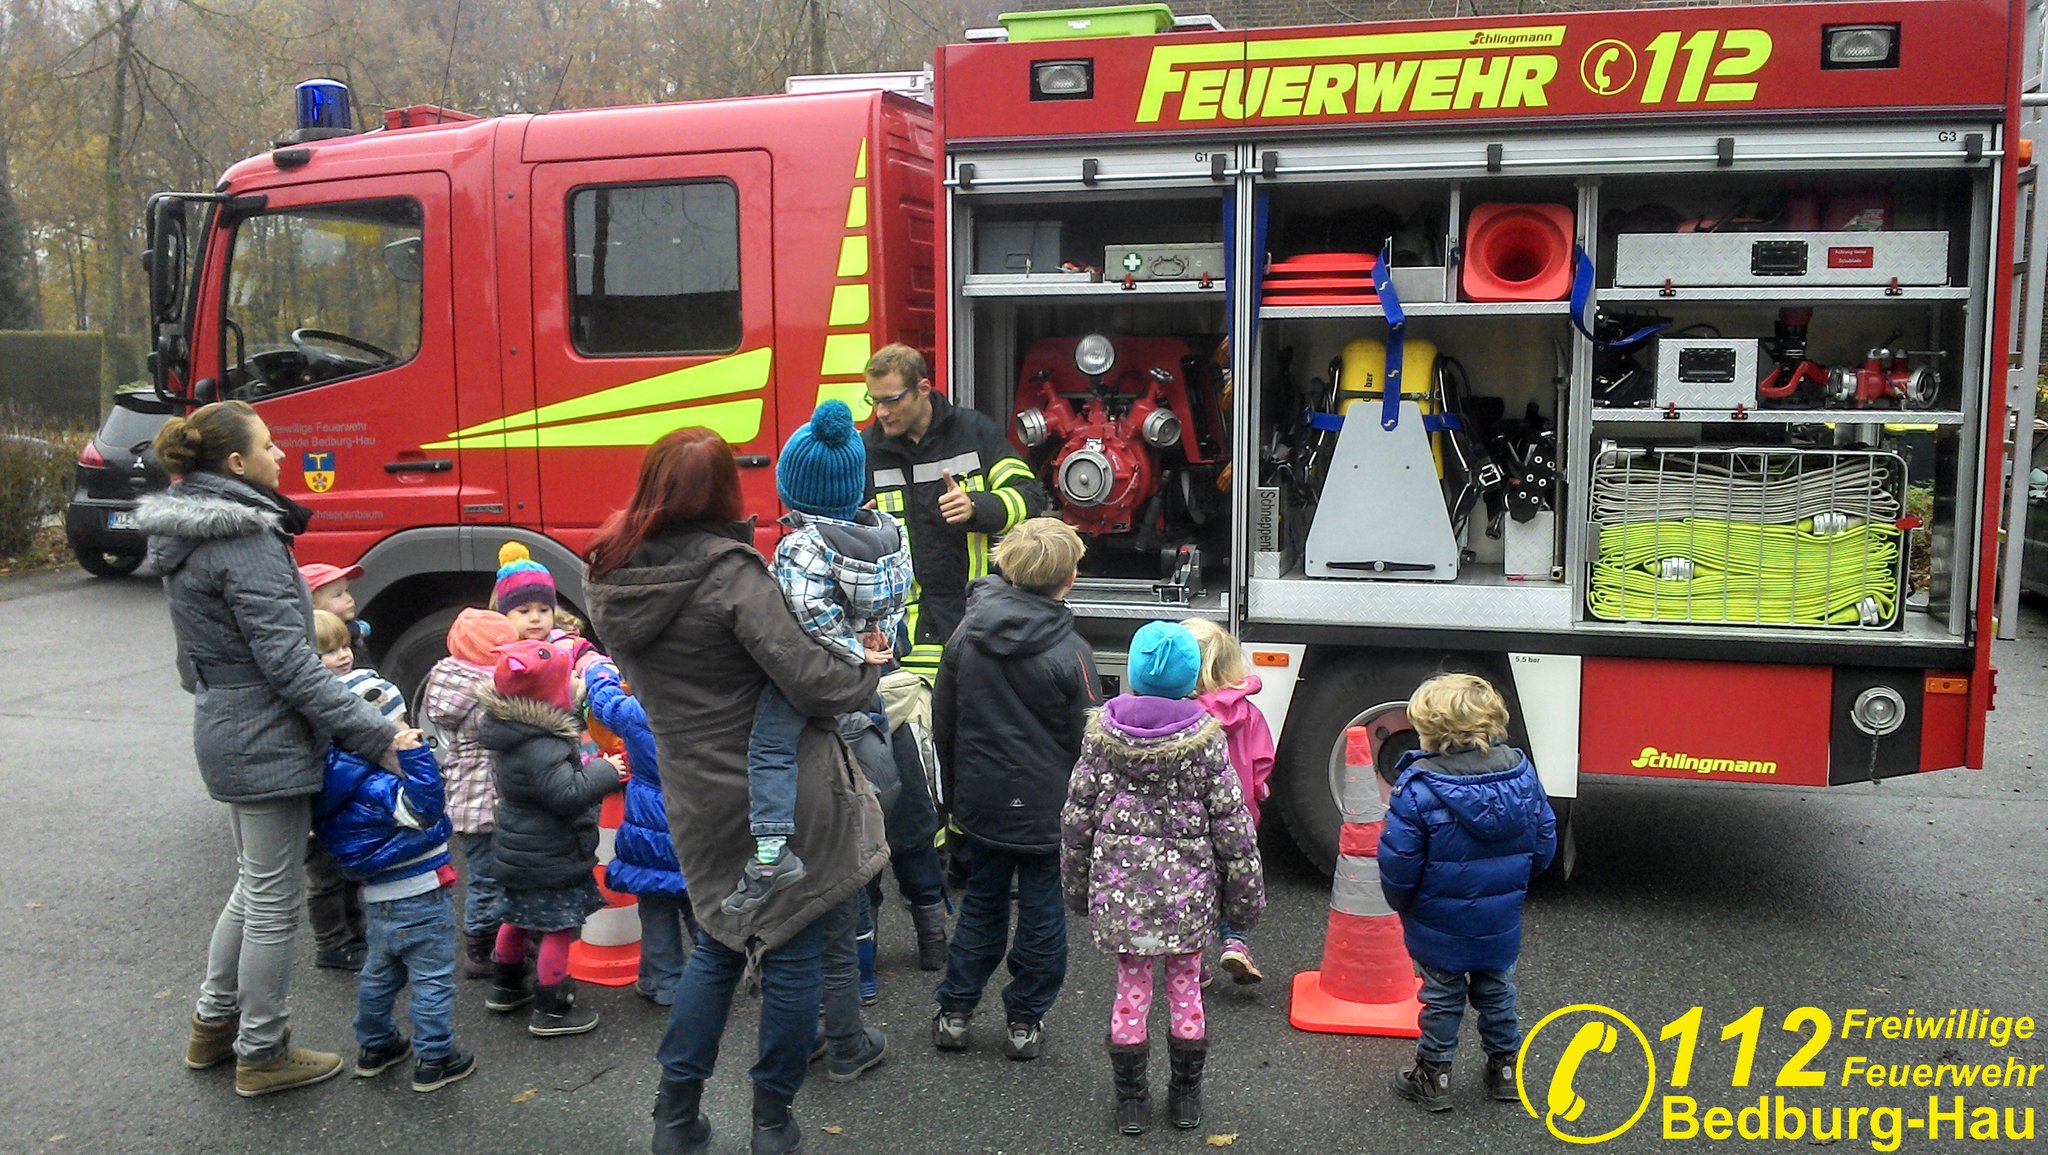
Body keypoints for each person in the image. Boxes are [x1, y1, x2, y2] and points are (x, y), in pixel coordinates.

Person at [582, 427, 885, 1155]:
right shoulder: (730, 576)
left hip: (695, 797)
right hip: (781, 795)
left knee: (718, 944)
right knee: (794, 947)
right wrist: (870, 668)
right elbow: (812, 680)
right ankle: (772, 1121)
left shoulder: (609, 573)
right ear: (724, 491)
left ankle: (675, 1115)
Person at [135, 399, 404, 1097]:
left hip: (227, 726)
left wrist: (229, 698)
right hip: (265, 738)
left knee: (253, 889)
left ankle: (213, 1025)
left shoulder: (188, 533)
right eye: (270, 445)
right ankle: (261, 1049)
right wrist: (378, 733)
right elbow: (291, 664)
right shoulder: (245, 539)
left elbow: (190, 662)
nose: (281, 455)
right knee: (271, 900)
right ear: (235, 464)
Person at [1061, 621, 1264, 1135]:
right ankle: (1185, 1098)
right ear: (1193, 679)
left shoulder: (1103, 737)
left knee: (1131, 990)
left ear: (1131, 673)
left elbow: (1078, 818)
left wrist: (1077, 886)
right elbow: (1233, 826)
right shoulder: (1206, 740)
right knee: (1185, 991)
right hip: (1189, 899)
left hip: (1121, 896)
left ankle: (1131, 1101)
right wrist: (1242, 903)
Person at [728, 400, 910, 915]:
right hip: (863, 671)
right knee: (863, 739)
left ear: (792, 488)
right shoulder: (888, 533)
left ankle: (770, 851)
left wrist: (848, 646)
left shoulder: (801, 546)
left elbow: (805, 609)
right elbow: (895, 595)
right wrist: (875, 637)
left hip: (815, 668)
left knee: (769, 744)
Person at [930, 517, 1100, 1061]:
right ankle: (1024, 1021)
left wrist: (954, 798)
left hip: (980, 800)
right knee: (1043, 910)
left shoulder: (965, 635)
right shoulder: (1071, 650)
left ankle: (955, 1012)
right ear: (1069, 580)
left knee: (981, 902)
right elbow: (1087, 738)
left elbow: (945, 721)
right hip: (1048, 808)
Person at [1379, 673, 1556, 1113]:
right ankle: (1506, 1068)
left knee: (1441, 992)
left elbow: (1399, 864)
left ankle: (1434, 1074)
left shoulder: (1418, 789)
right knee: (1497, 988)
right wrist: (1514, 883)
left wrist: (1403, 902)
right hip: (1499, 916)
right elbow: (1545, 843)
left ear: (1431, 731)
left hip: (1438, 918)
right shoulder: (1522, 773)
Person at [861, 343, 1047, 682]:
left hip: (979, 621)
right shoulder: (866, 450)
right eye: (874, 401)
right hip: (905, 635)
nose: (882, 412)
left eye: (891, 400)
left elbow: (1030, 496)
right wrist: (857, 523)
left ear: (923, 389)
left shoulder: (973, 433)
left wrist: (977, 507)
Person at [312, 722, 476, 1093]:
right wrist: (415, 756)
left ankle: (376, 1044)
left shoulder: (335, 787)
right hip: (421, 895)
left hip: (378, 899)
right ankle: (435, 1057)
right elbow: (425, 808)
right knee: (432, 978)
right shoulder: (378, 786)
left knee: (379, 974)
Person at [477, 638, 626, 1038]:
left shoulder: (515, 732)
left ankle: (506, 986)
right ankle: (553, 1008)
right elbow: (566, 793)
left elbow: (550, 781)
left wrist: (586, 764)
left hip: (518, 849)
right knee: (558, 927)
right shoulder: (542, 744)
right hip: (550, 852)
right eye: (571, 677)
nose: (578, 680)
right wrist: (606, 772)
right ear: (551, 694)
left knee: (516, 917)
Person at [580, 659, 699, 1006]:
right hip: (695, 821)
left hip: (647, 825)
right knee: (701, 906)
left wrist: (598, 670)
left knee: (656, 909)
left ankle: (664, 983)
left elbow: (602, 701)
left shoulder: (634, 711)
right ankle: (715, 973)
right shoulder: (707, 707)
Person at [420, 607, 520, 978]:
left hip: (465, 799)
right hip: (487, 800)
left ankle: (486, 943)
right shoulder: (487, 691)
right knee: (490, 877)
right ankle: (481, 949)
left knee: (484, 875)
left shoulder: (448, 678)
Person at [1182, 618, 1276, 986]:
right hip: (1238, 815)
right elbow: (1263, 762)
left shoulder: (1183, 717)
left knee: (1195, 884)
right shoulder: (1248, 713)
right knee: (1234, 879)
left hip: (1191, 820)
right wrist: (1257, 794)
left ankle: (1195, 961)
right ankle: (1235, 941)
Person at [314, 610, 406, 724]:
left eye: (345, 646)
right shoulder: (326, 694)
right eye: (331, 651)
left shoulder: (363, 673)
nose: (343, 655)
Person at [302, 561, 370, 660]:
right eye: (338, 595)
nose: (349, 598)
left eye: (347, 591)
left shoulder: (352, 625)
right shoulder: (312, 637)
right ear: (311, 603)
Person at [492, 542, 559, 642]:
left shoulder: (567, 644)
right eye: (524, 611)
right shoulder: (496, 648)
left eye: (544, 610)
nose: (535, 618)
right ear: (504, 615)